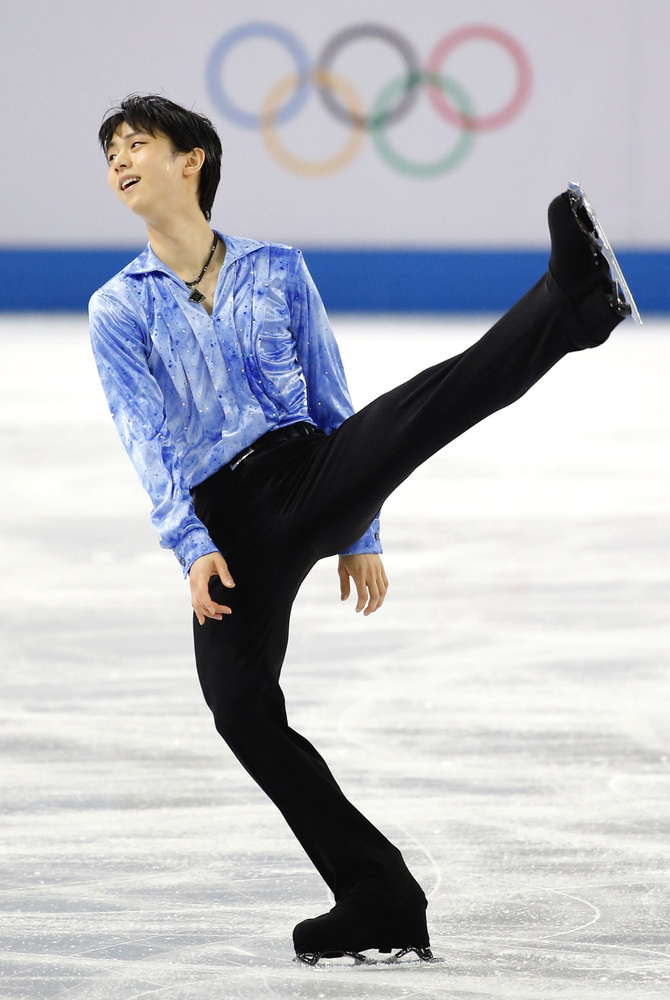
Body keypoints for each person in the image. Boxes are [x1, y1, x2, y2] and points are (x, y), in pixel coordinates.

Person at [89, 93, 638, 965]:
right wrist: (191, 546)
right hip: (226, 523)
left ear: (192, 159)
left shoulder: (278, 269)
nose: (119, 159)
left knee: (422, 408)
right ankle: (379, 895)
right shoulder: (118, 308)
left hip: (310, 471)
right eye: (110, 151)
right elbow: (145, 441)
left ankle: (571, 302)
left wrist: (362, 529)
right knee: (240, 710)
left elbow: (334, 398)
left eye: (136, 143)